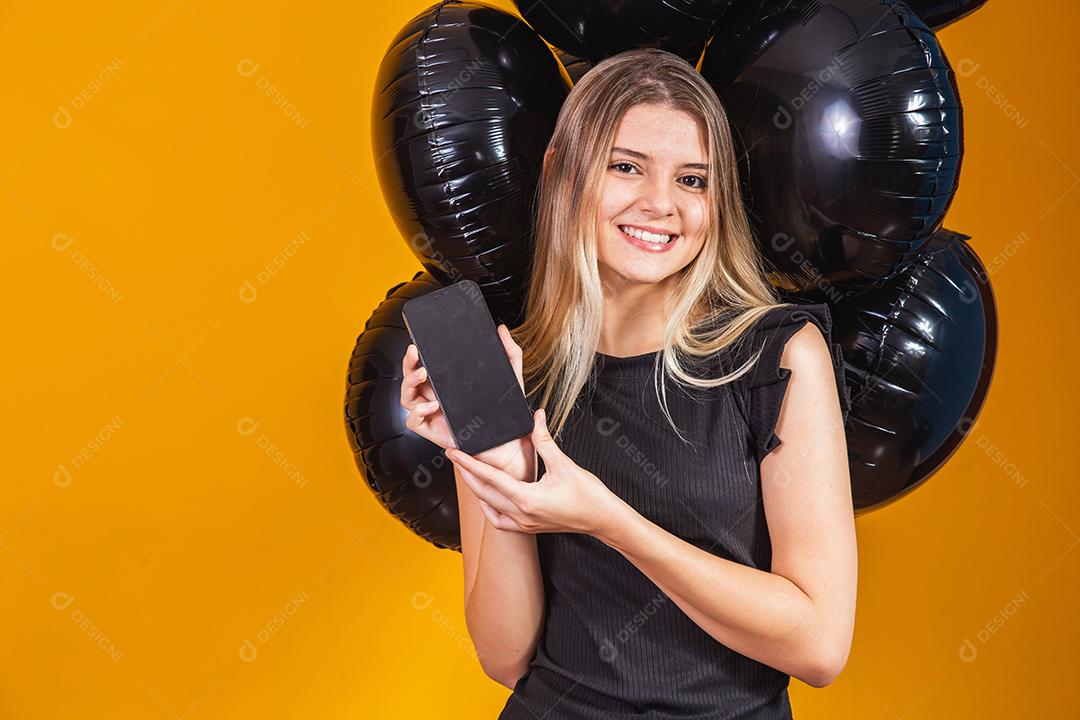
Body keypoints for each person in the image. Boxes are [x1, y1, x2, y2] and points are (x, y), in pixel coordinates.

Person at [400, 47, 856, 720]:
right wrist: (498, 469)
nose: (661, 204)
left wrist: (610, 522)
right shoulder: (515, 369)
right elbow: (506, 656)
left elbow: (819, 646)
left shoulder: (776, 356)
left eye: (693, 181)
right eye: (625, 167)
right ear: (562, 173)